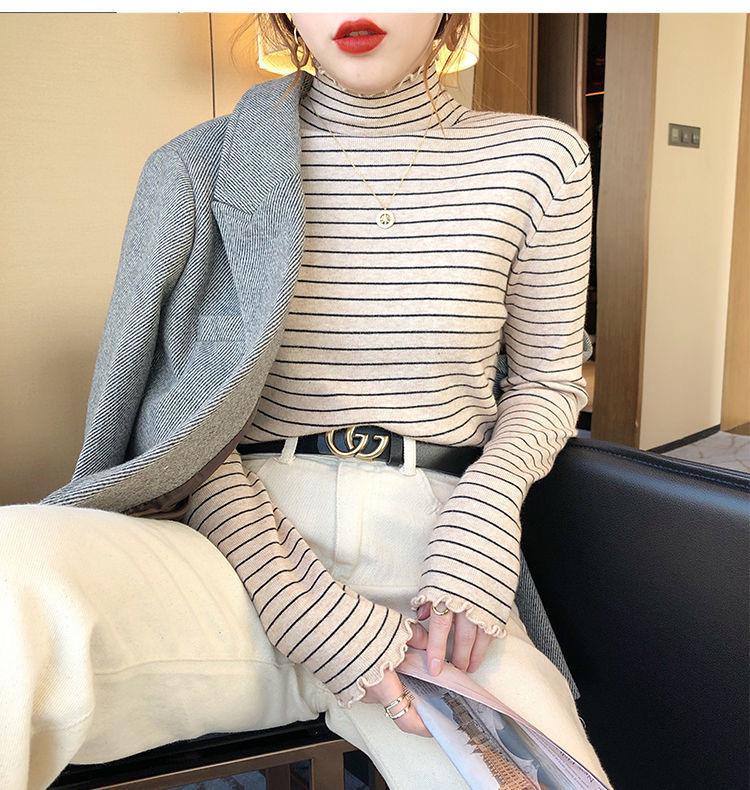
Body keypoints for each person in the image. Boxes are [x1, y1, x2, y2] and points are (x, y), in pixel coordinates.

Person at [0, 12, 614, 790]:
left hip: (437, 575)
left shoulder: (541, 161)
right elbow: (176, 416)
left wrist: (488, 508)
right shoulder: (198, 167)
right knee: (13, 566)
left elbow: (547, 381)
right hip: (233, 557)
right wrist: (297, 600)